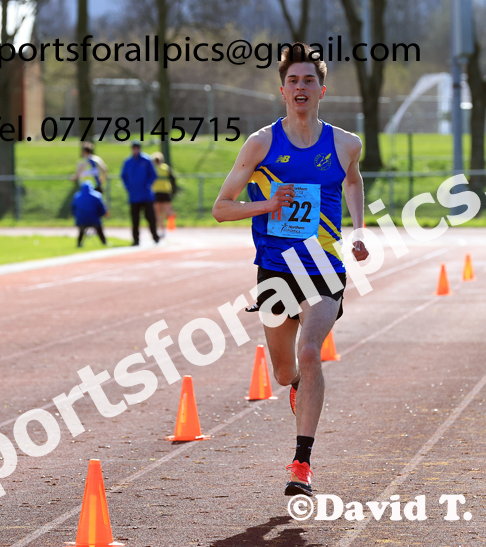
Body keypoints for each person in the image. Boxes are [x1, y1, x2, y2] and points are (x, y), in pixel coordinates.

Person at [212, 43, 368, 497]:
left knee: (309, 351)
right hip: (275, 271)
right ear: (283, 90)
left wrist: (358, 231)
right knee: (284, 372)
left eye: (309, 80)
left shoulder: (345, 144)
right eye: (294, 81)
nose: (302, 87)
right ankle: (297, 386)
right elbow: (222, 209)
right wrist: (267, 203)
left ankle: (302, 462)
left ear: (322, 89)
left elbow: (353, 180)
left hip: (325, 267)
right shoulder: (261, 144)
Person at [120, 141, 160, 246]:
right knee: (135, 220)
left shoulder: (146, 160)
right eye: (134, 148)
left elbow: (153, 174)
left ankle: (155, 237)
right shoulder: (128, 162)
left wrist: (148, 184)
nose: (136, 150)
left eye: (137, 148)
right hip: (133, 196)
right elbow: (123, 176)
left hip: (146, 195)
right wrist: (128, 187)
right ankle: (136, 240)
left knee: (150, 217)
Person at [71, 181, 108, 247]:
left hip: (80, 221)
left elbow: (73, 209)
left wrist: (77, 216)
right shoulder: (97, 195)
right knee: (99, 227)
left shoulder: (77, 196)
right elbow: (102, 208)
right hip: (94, 220)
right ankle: (104, 242)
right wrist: (100, 215)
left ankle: (79, 243)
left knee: (82, 229)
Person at [150, 152, 178, 237]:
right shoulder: (166, 168)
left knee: (158, 213)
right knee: (166, 211)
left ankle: (163, 229)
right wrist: (174, 190)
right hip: (165, 192)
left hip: (158, 192)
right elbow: (173, 178)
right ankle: (169, 227)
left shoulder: (153, 168)